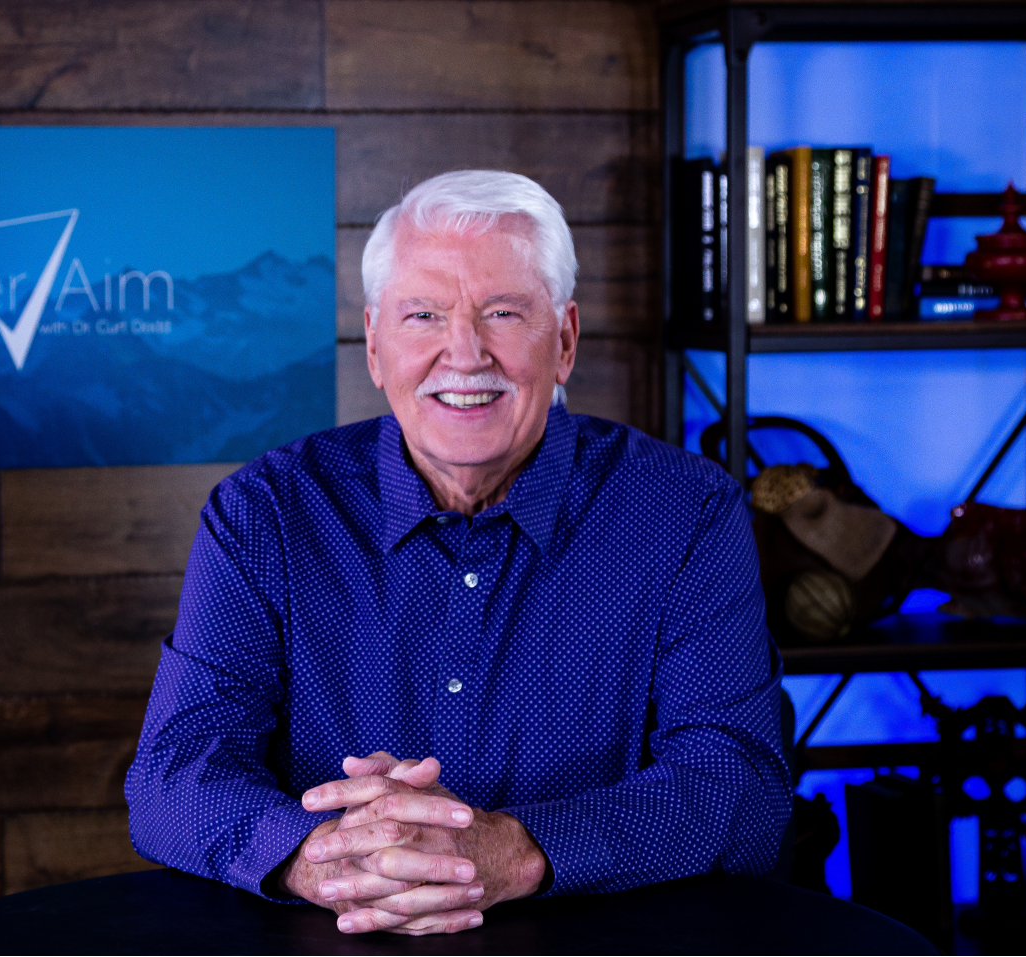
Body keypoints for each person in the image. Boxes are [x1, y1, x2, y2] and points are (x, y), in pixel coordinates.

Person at [125, 170, 789, 936]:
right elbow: (174, 775)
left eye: (503, 312)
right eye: (423, 315)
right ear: (376, 347)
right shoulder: (264, 514)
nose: (463, 352)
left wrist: (519, 851)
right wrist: (327, 855)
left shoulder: (687, 513)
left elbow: (740, 787)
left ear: (564, 339)